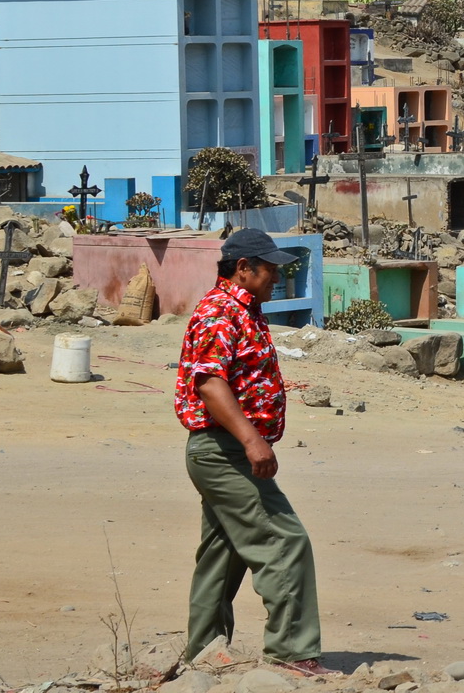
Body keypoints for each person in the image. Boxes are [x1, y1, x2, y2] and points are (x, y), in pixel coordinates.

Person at [174, 229, 336, 675]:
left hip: (226, 449)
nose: (276, 278)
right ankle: (292, 651)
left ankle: (204, 651)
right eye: (270, 270)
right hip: (222, 449)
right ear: (243, 268)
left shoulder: (246, 310)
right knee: (285, 542)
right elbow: (209, 383)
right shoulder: (220, 312)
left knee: (223, 552)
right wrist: (251, 439)